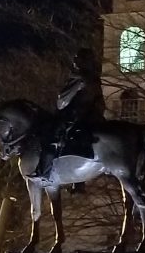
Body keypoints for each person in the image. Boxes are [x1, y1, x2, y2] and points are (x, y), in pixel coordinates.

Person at [38, 48, 105, 179]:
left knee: (50, 137)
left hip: (75, 117)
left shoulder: (78, 77)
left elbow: (61, 102)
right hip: (94, 117)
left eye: (77, 58)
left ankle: (44, 173)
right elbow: (100, 102)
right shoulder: (95, 79)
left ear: (82, 61)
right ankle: (78, 182)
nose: (74, 61)